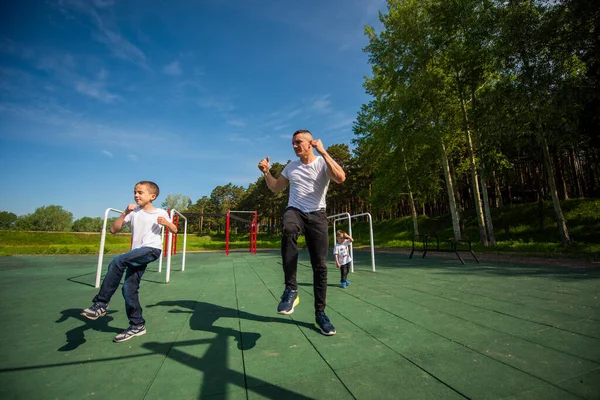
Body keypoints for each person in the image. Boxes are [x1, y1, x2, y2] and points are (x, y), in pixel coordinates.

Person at [258, 129, 346, 336]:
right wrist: (266, 172)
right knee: (288, 228)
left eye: (298, 142)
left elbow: (341, 178)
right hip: (295, 211)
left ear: (310, 144)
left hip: (317, 215)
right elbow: (276, 188)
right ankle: (291, 289)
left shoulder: (322, 163)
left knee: (320, 267)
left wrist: (324, 152)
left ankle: (320, 314)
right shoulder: (291, 167)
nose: (294, 146)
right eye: (293, 143)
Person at [80, 181, 178, 343]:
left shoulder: (160, 212)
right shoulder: (133, 213)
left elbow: (174, 230)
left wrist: (166, 223)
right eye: (135, 192)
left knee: (119, 261)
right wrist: (124, 213)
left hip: (152, 250)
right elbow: (113, 230)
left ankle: (101, 304)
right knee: (128, 289)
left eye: (140, 192)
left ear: (152, 196)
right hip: (137, 253)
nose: (136, 195)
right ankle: (137, 324)